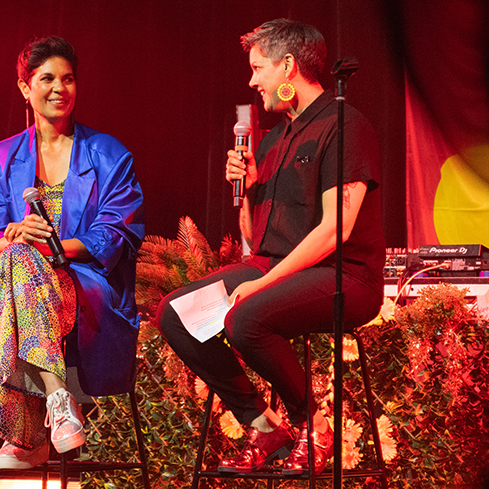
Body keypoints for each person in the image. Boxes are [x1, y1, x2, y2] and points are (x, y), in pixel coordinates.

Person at [157, 19, 384, 475]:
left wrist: (264, 283)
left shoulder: (344, 124)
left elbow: (334, 230)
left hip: (343, 274)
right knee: (175, 314)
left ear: (288, 67)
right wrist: (246, 188)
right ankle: (264, 426)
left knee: (247, 317)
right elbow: (252, 238)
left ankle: (315, 428)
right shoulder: (275, 138)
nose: (252, 80)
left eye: (258, 68)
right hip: (273, 264)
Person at [0, 36, 144, 470]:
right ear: (24, 88)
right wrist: (15, 238)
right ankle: (59, 400)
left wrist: (49, 248)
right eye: (46, 78)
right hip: (20, 281)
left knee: (21, 264)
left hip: (86, 282)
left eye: (68, 79)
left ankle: (26, 434)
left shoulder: (109, 154)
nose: (59, 88)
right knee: (14, 261)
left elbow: (115, 232)